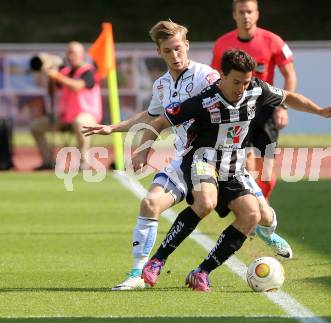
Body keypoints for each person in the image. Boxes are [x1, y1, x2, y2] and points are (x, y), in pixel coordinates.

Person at [82, 21, 292, 291]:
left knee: (262, 215)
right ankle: (137, 273)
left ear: (187, 46)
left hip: (222, 159)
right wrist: (116, 129)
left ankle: (267, 231)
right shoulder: (161, 85)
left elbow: (236, 106)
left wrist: (245, 147)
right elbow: (153, 117)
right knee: (150, 203)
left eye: (178, 48)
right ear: (159, 52)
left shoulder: (207, 76)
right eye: (168, 50)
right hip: (186, 160)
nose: (175, 55)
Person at [137, 49, 331, 292]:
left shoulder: (257, 89)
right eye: (236, 82)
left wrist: (319, 111)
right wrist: (143, 150)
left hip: (233, 166)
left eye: (245, 82)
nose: (241, 88)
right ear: (221, 76)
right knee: (206, 203)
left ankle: (202, 272)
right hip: (203, 159)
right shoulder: (203, 101)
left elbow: (287, 97)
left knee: (252, 215)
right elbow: (159, 122)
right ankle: (157, 260)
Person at [211, 0, 297, 199]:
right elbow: (215, 77)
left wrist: (283, 107)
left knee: (266, 170)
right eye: (241, 12)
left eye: (249, 12)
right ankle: (251, 207)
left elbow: (290, 75)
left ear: (257, 14)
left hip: (266, 110)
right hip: (237, 110)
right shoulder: (222, 44)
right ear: (234, 14)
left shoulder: (274, 41)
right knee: (245, 162)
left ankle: (261, 205)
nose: (246, 16)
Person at [30, 41, 102, 170]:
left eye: (73, 52)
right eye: (68, 52)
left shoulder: (88, 71)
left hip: (87, 115)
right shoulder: (65, 71)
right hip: (65, 117)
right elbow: (50, 90)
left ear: (82, 55)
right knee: (36, 126)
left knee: (80, 122)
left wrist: (57, 75)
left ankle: (83, 163)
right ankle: (47, 161)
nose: (70, 56)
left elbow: (77, 86)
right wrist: (48, 74)